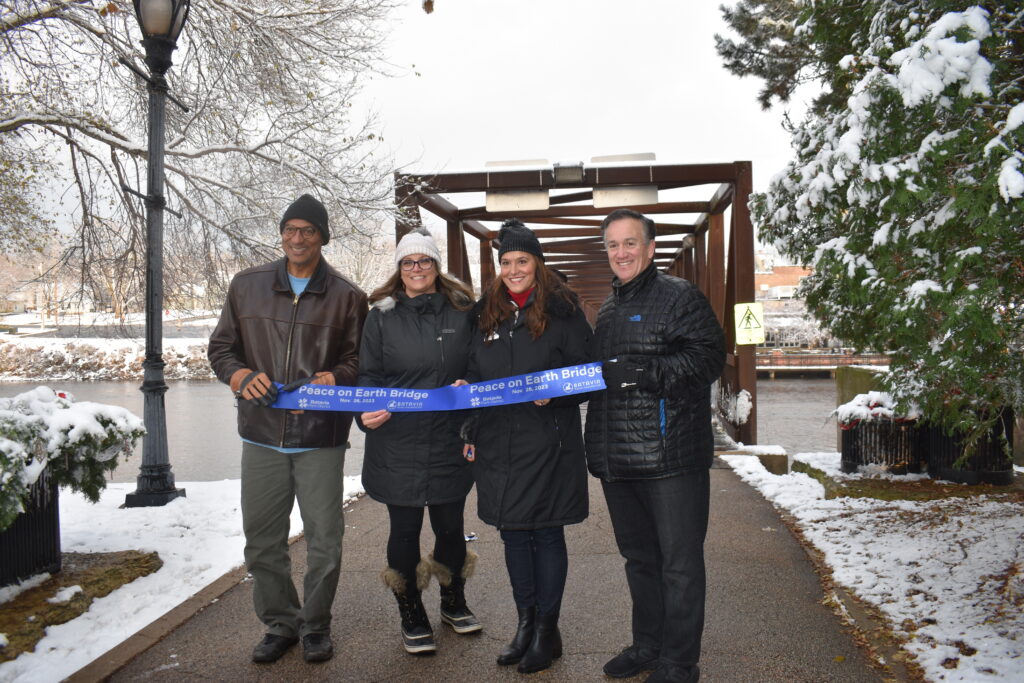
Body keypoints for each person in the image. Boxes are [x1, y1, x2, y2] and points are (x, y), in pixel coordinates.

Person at [207, 194, 367, 665]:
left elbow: (361, 360)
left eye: (308, 231)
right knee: (261, 540)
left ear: (322, 237)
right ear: (281, 235)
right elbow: (221, 349)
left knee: (325, 542)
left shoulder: (348, 296)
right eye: (290, 230)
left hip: (321, 436)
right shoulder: (246, 285)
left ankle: (316, 625)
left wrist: (336, 377)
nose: (298, 239)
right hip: (260, 434)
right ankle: (280, 624)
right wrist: (239, 375)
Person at [584, 208, 725, 683]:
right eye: (612, 245)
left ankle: (679, 664)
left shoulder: (678, 295)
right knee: (640, 561)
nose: (621, 252)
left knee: (679, 566)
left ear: (650, 247)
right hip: (620, 459)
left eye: (629, 243)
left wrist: (647, 372)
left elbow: (708, 358)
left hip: (670, 457)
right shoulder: (609, 307)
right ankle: (649, 646)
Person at [462, 219, 593, 675]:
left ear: (537, 263)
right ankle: (526, 624)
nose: (514, 270)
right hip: (498, 442)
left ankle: (547, 630)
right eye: (506, 262)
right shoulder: (483, 315)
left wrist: (555, 393)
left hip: (548, 443)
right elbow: (472, 371)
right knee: (513, 534)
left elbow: (589, 374)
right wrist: (465, 393)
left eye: (522, 260)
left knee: (547, 533)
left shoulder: (564, 310)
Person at [356, 227, 480, 655]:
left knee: (451, 527)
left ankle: (453, 600)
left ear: (436, 265)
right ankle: (411, 611)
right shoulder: (380, 316)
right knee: (404, 530)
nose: (416, 268)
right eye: (408, 262)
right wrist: (365, 412)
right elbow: (368, 375)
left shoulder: (463, 310)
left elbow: (481, 362)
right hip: (398, 440)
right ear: (399, 268)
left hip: (449, 437)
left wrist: (472, 383)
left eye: (424, 260)